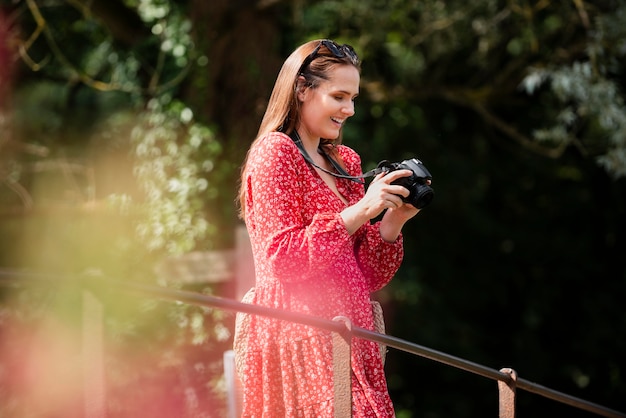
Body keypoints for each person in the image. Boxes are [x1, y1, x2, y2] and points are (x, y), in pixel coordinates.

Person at [235, 39, 426, 417]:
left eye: (353, 98)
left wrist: (394, 218)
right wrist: (360, 211)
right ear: (303, 89)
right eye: (339, 96)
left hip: (353, 333)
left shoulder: (345, 161)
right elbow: (282, 260)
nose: (349, 109)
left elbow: (367, 274)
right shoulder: (275, 152)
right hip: (301, 332)